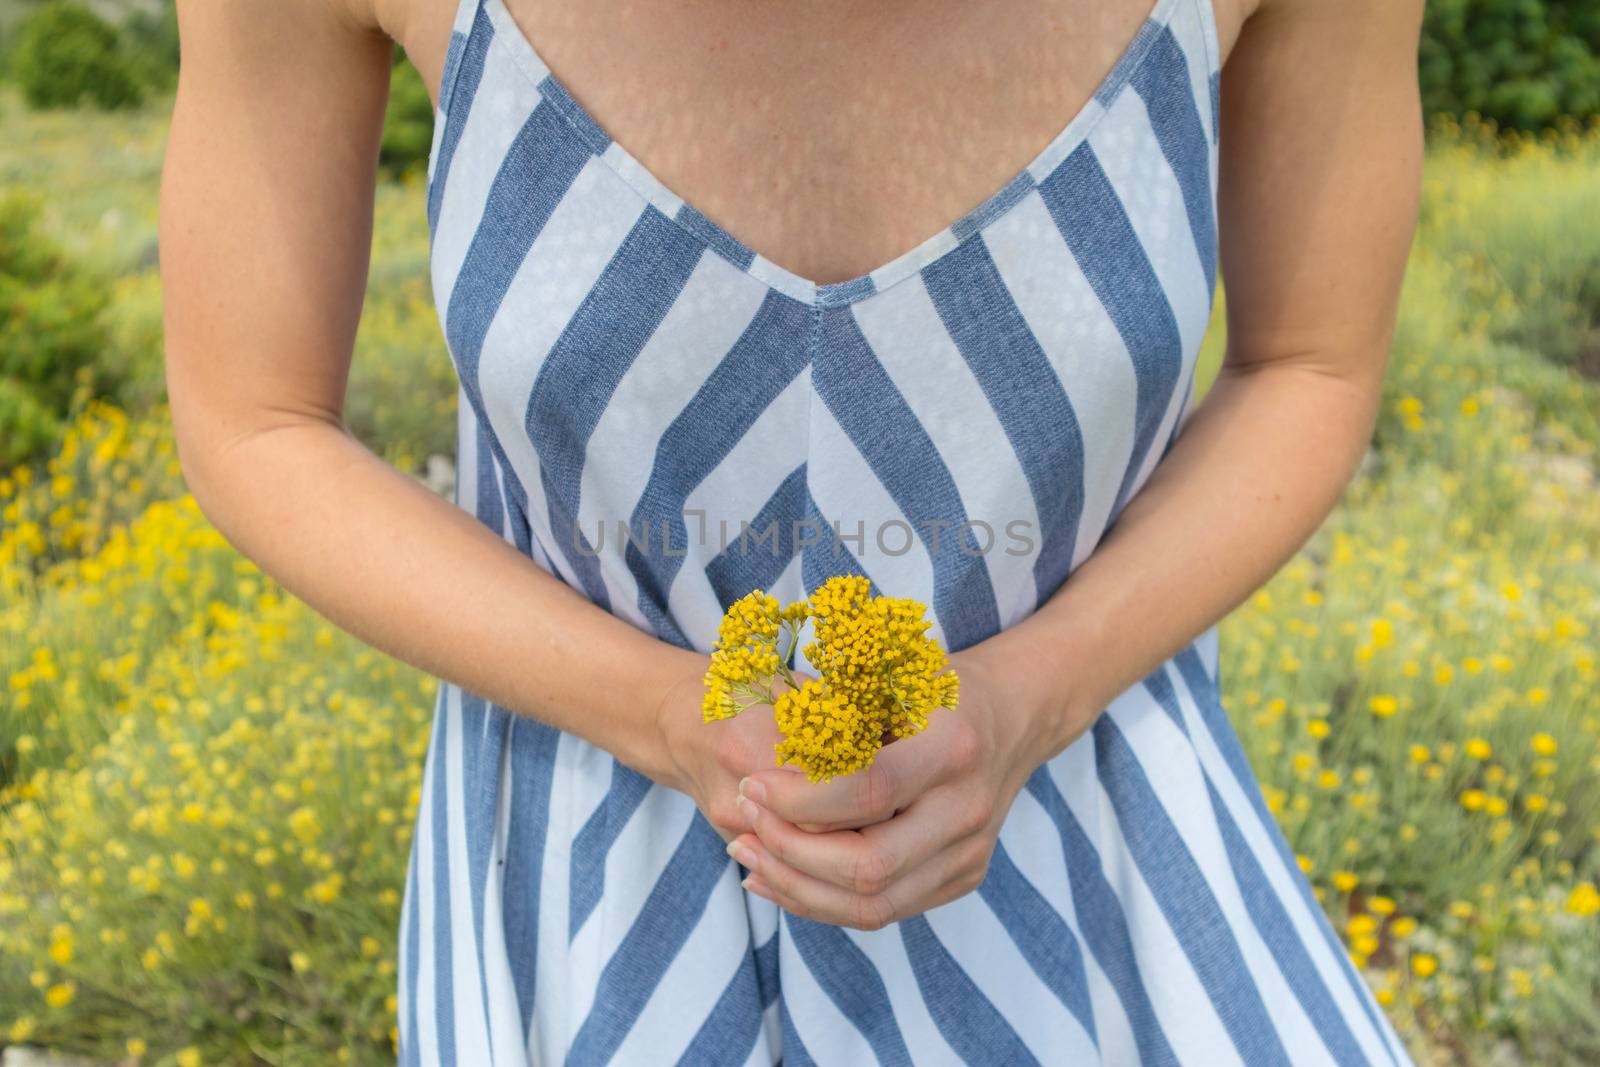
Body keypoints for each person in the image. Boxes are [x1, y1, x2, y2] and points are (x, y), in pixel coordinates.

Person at [160, 0, 1426, 1062]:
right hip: (589, 883)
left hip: (1101, 849)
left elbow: (1307, 364)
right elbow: (255, 417)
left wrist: (1028, 696)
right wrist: (663, 711)